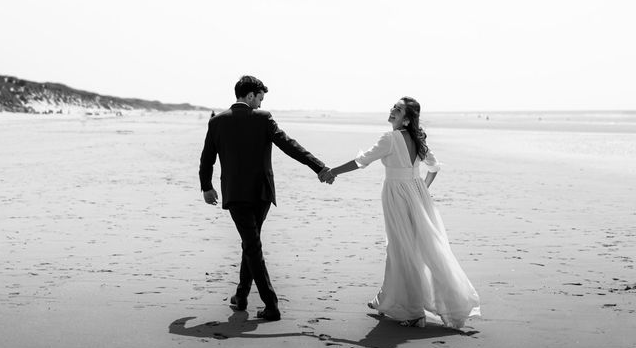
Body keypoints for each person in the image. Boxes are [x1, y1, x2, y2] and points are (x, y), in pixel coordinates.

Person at [329, 97, 480, 328]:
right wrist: (420, 191)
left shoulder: (390, 138)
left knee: (400, 249)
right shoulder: (417, 140)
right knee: (409, 248)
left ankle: (413, 311)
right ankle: (385, 300)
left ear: (407, 119)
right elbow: (434, 168)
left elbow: (362, 161)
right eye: (393, 107)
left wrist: (333, 172)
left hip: (397, 197)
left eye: (398, 110)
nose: (392, 111)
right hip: (416, 195)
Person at [199, 76, 334, 321]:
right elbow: (289, 145)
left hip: (236, 194)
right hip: (261, 193)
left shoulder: (217, 122)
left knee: (251, 245)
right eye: (259, 98)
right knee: (252, 245)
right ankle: (261, 301)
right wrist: (318, 167)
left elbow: (206, 159)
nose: (261, 104)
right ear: (250, 95)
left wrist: (206, 187)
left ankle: (251, 299)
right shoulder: (263, 119)